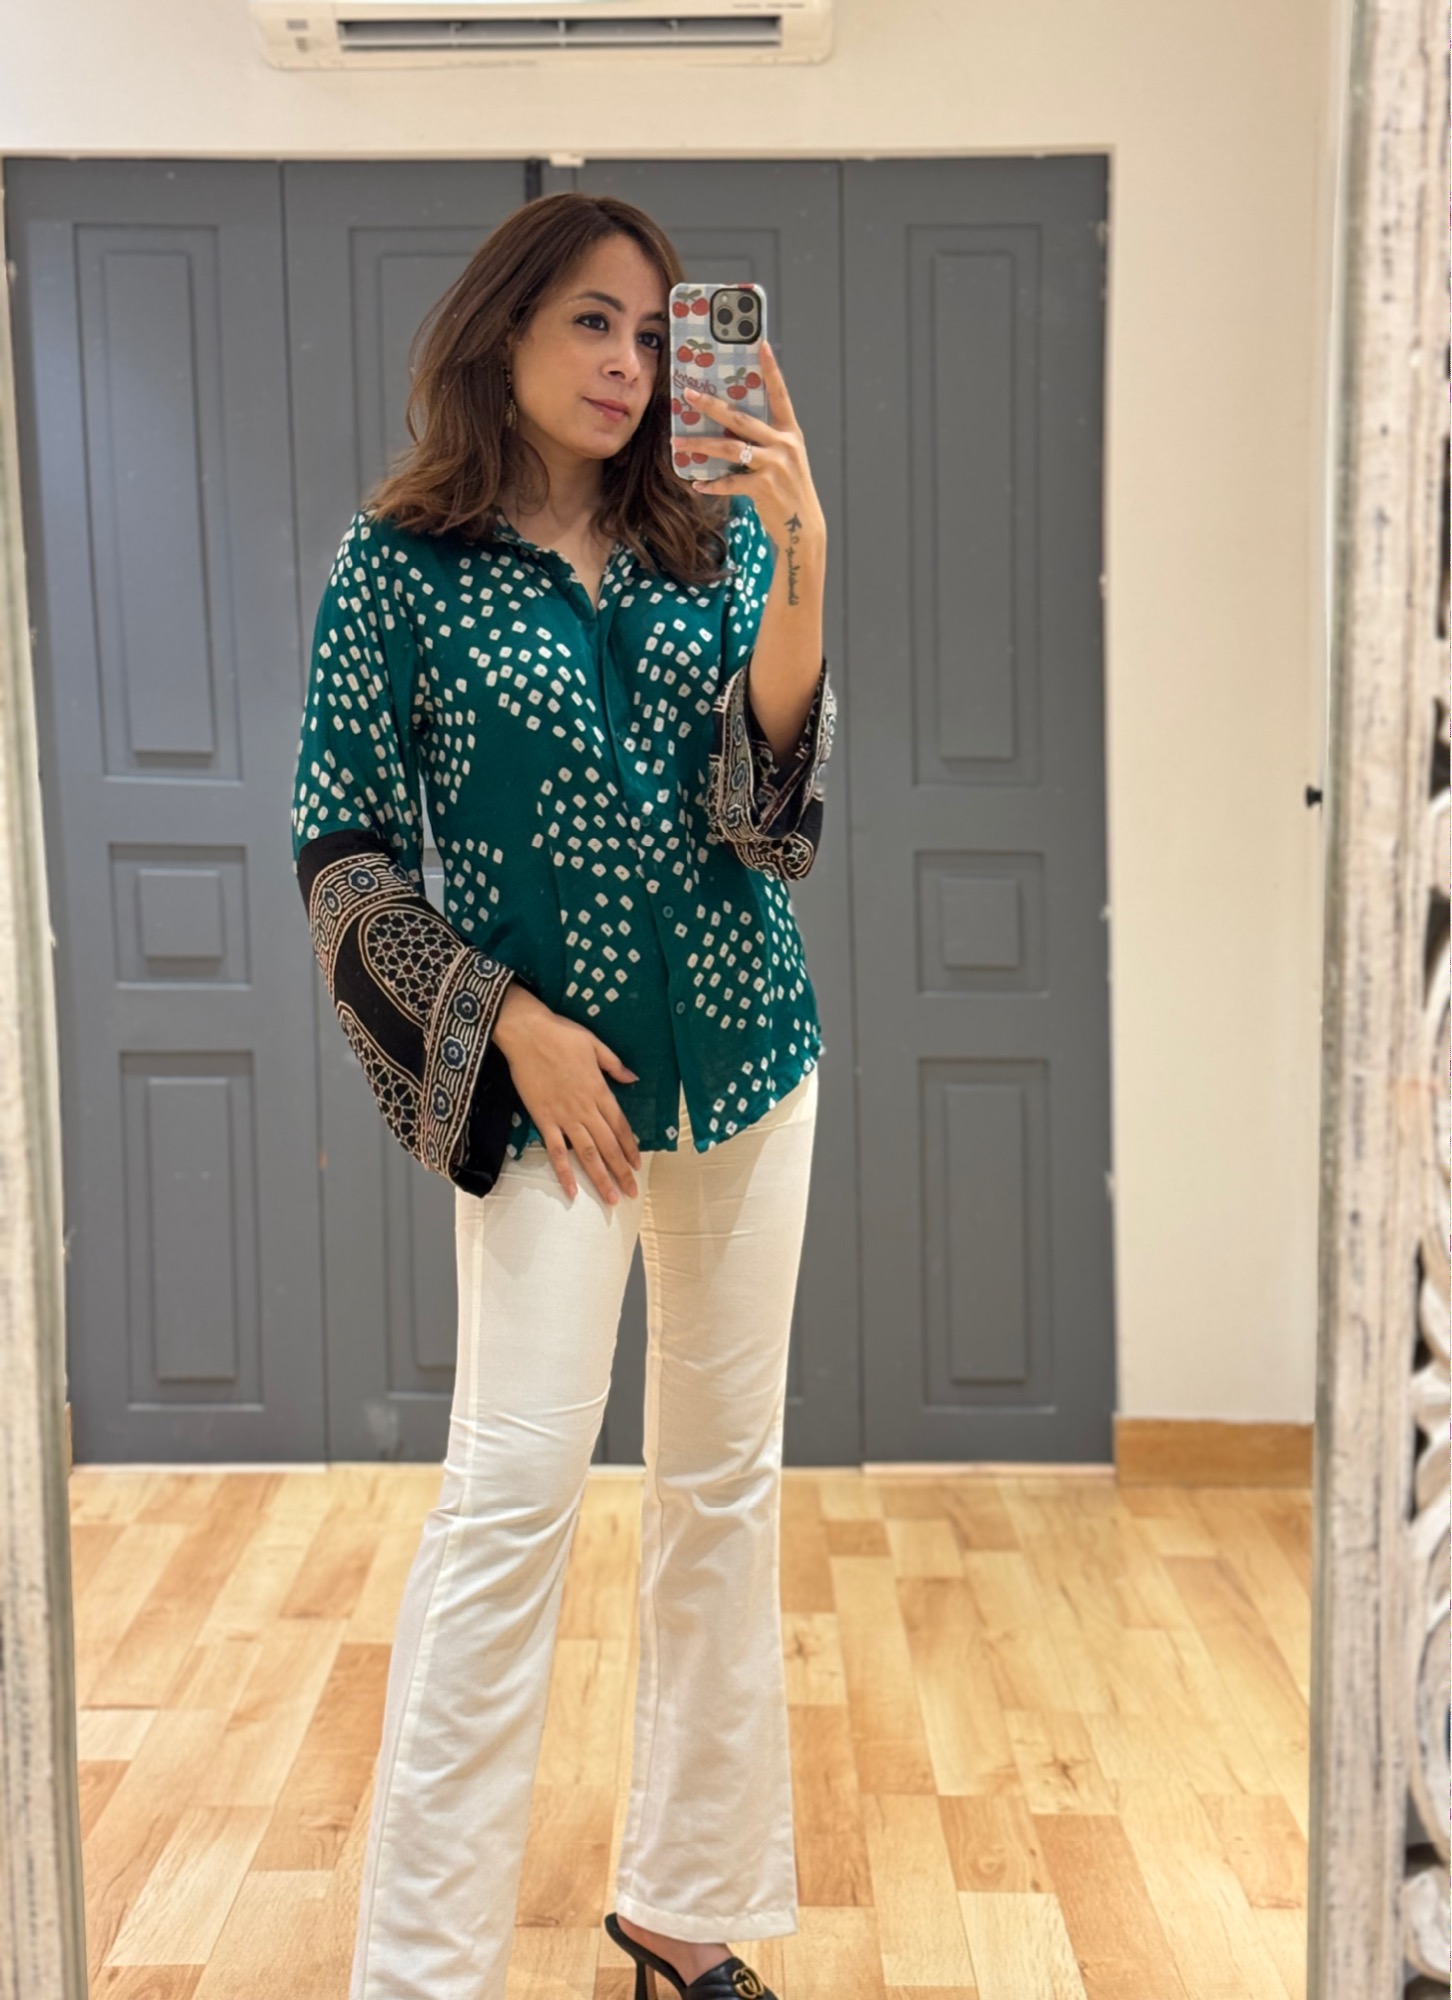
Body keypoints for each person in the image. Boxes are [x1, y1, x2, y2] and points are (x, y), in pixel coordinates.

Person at [290, 190, 837, 2000]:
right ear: (504, 333)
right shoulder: (400, 566)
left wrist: (802, 558)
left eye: (658, 332)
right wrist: (504, 1019)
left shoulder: (717, 538)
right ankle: (421, 1974)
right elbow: (342, 853)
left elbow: (768, 823)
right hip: (553, 1108)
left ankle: (686, 1910)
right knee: (511, 1499)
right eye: (593, 321)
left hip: (748, 1065)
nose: (630, 362)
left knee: (719, 1488)